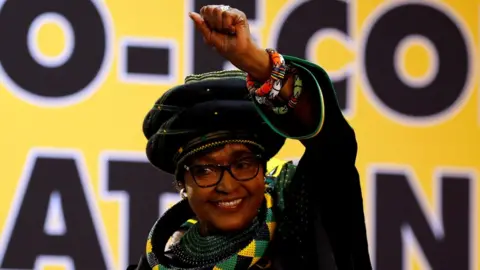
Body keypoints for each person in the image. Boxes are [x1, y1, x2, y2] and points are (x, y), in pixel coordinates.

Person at [128, 5, 371, 270]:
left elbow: (334, 147)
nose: (228, 185)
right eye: (206, 170)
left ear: (263, 170)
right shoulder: (156, 264)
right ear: (183, 184)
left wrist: (256, 62)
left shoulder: (300, 221)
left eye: (243, 164)